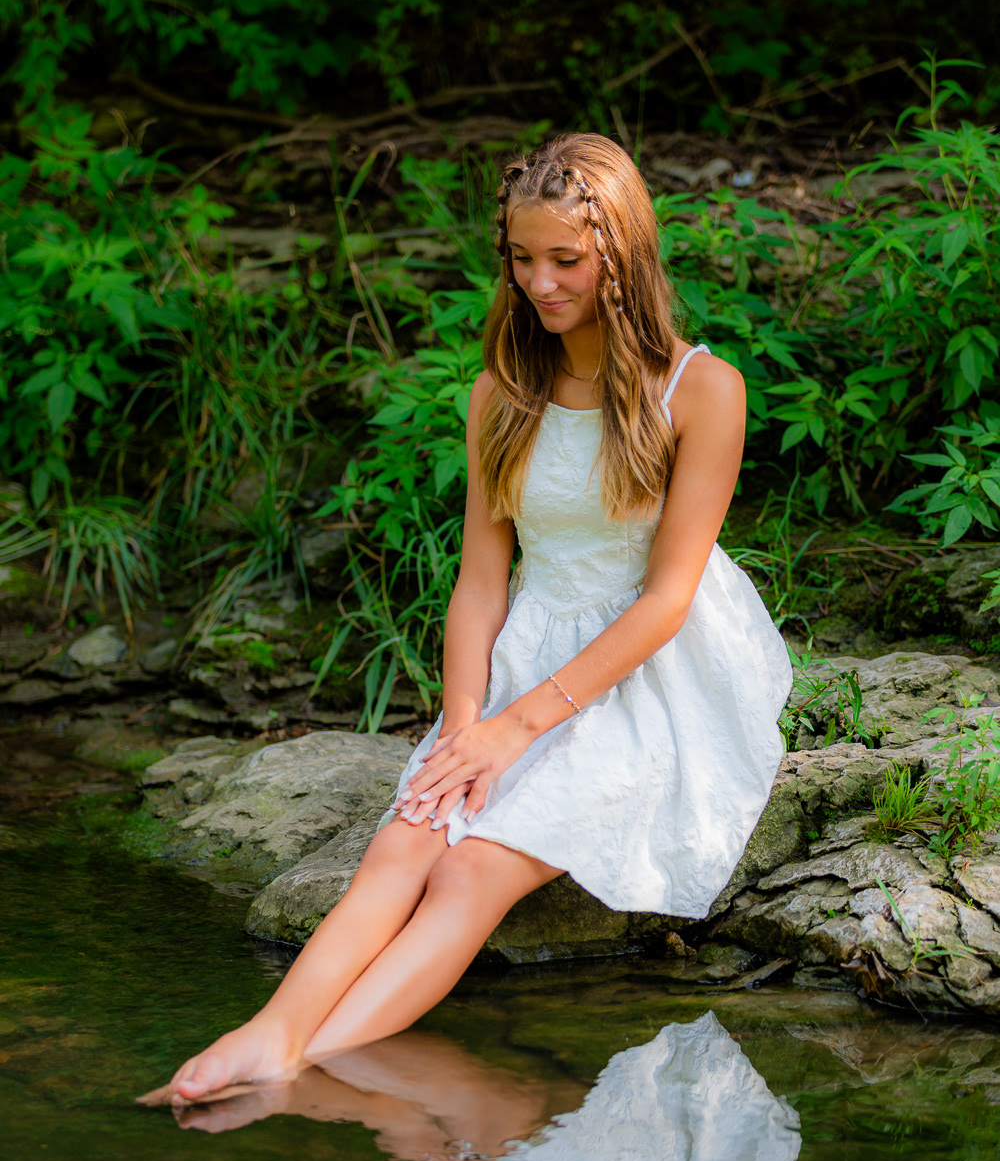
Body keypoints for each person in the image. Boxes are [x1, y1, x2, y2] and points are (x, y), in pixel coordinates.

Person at [140, 131, 791, 1108]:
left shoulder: (701, 390)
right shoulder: (503, 392)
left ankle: (302, 1076)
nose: (540, 283)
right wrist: (461, 726)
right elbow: (482, 586)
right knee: (408, 837)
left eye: (565, 259)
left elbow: (666, 601)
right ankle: (269, 1032)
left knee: (469, 872)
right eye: (522, 259)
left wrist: (513, 732)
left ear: (622, 254)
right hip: (530, 649)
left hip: (650, 674)